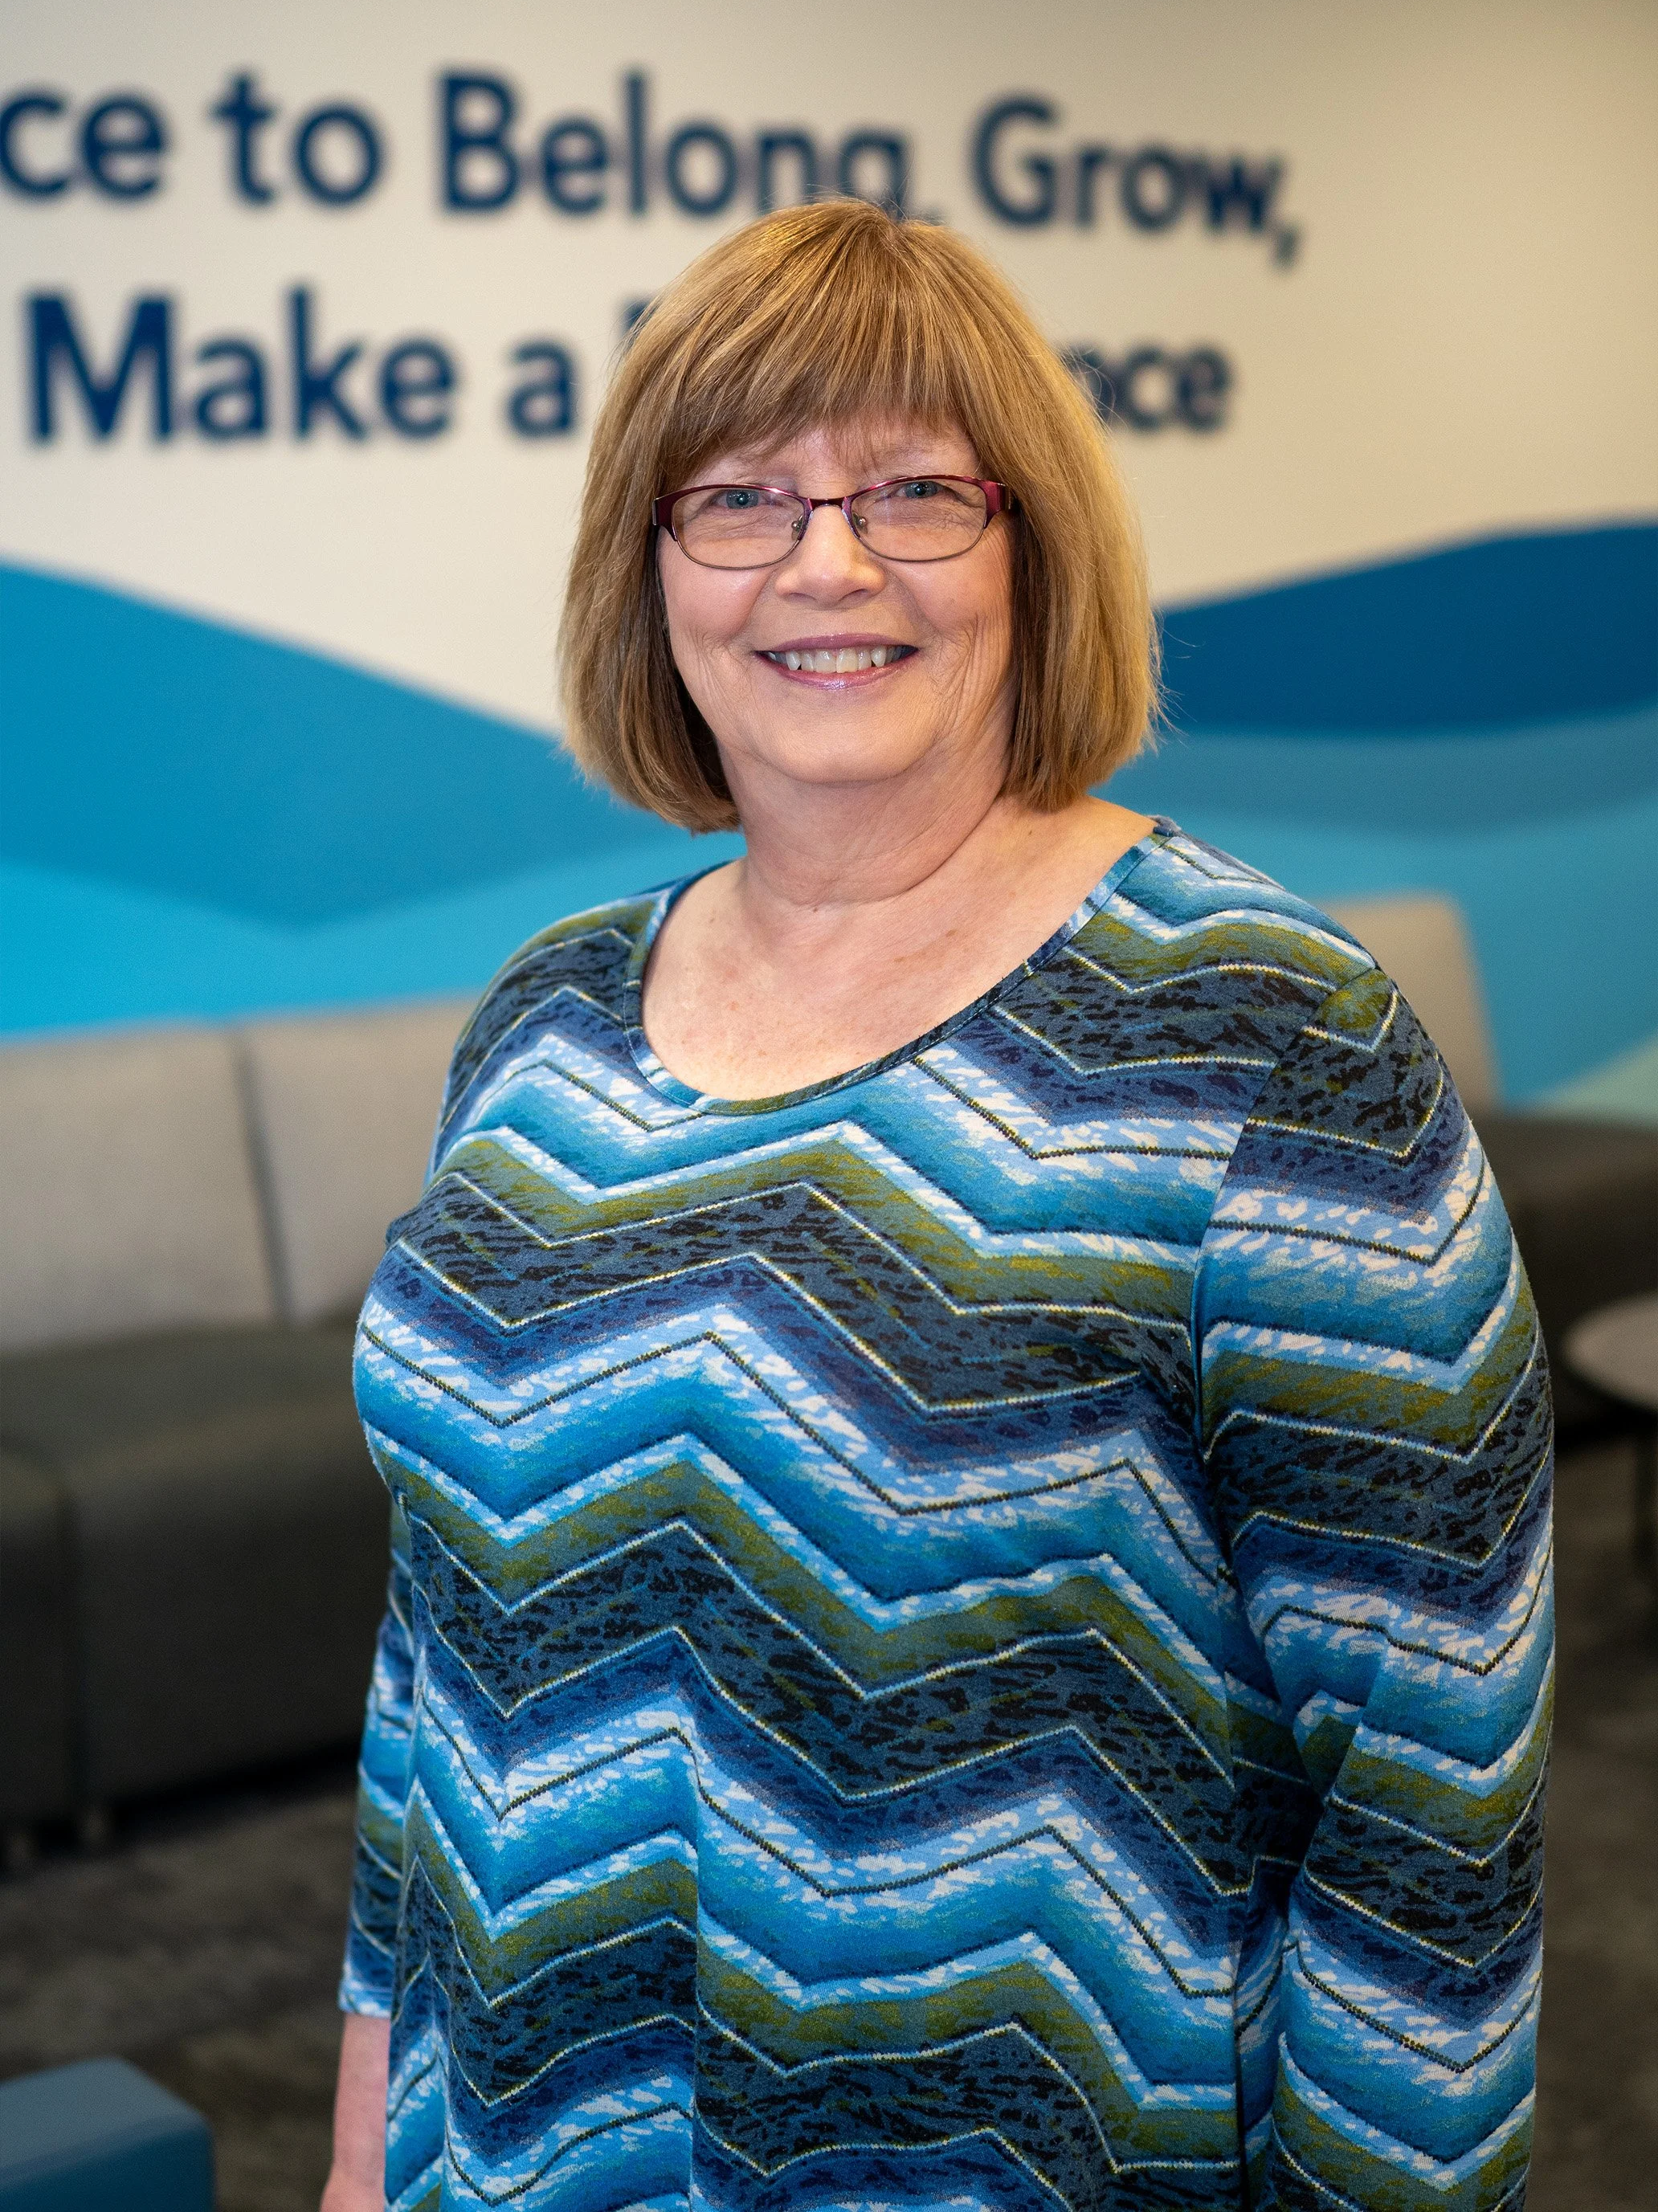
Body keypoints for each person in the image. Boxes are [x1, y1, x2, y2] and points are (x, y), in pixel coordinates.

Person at [323, 200, 1550, 2211]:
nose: (829, 562)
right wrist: (367, 2155)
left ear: (1030, 549)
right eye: (741, 500)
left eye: (914, 490)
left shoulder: (1264, 1037)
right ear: (652, 576)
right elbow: (438, 1665)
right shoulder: (541, 1026)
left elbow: (1430, 1807)